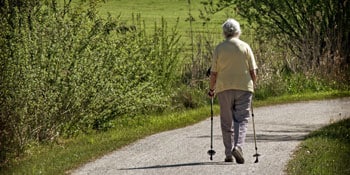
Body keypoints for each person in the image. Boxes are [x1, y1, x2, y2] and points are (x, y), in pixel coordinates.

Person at [208, 18, 258, 164]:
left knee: (226, 121)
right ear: (238, 31)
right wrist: (254, 85)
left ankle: (229, 153)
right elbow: (253, 71)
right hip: (244, 87)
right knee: (241, 119)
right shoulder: (245, 47)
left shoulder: (219, 48)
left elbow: (214, 73)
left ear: (224, 32)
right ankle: (238, 147)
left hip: (224, 88)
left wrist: (211, 89)